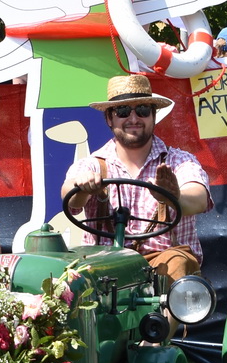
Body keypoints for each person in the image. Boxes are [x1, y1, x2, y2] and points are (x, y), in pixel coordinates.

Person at [64, 75, 214, 284]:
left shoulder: (179, 161)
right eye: (123, 111)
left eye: (142, 110)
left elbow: (197, 200)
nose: (133, 119)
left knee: (178, 261)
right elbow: (70, 196)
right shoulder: (92, 164)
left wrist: (172, 197)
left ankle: (162, 318)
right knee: (71, 277)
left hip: (163, 264)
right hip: (104, 266)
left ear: (153, 115)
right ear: (109, 118)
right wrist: (83, 186)